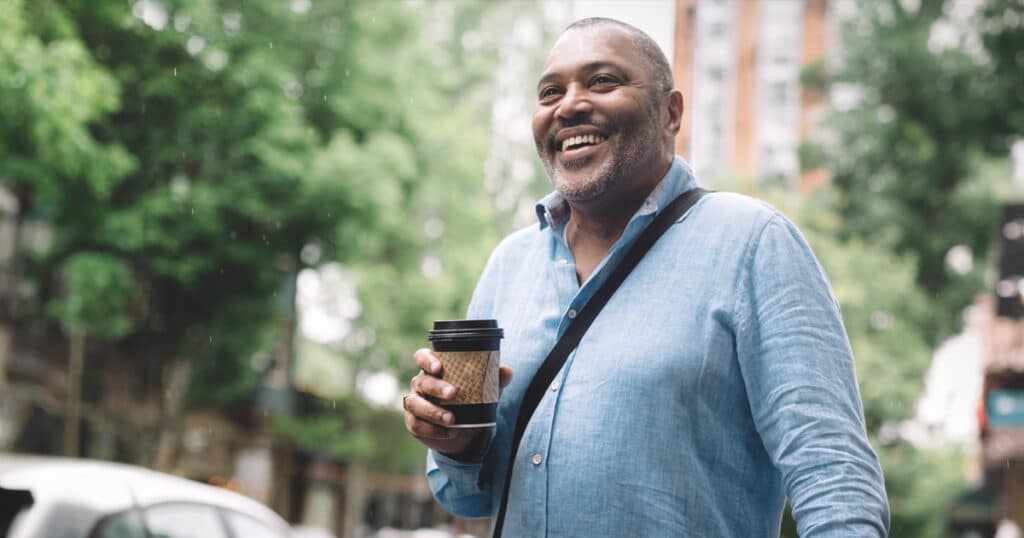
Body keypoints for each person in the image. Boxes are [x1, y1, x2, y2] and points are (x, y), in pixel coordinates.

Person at [403, 17, 890, 537]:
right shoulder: (509, 265)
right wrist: (457, 442)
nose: (569, 105)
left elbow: (831, 470)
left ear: (670, 112)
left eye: (602, 81)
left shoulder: (753, 244)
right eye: (550, 91)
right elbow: (465, 495)